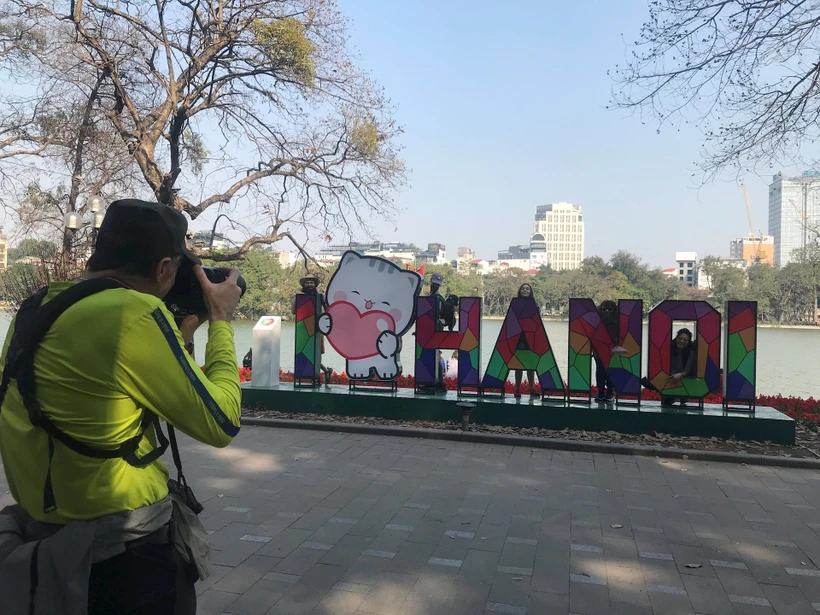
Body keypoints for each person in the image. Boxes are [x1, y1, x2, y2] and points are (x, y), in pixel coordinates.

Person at [0, 199, 243, 614]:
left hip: (46, 543)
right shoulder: (134, 312)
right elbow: (221, 422)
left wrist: (180, 339)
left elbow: (99, 396)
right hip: (127, 559)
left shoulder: (37, 307)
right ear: (164, 269)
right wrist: (220, 320)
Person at [292, 275, 333, 385]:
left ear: (315, 285)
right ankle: (326, 371)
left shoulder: (320, 296)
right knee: (305, 352)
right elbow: (293, 311)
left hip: (317, 329)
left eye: (311, 283)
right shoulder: (299, 296)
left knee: (316, 353)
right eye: (307, 283)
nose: (310, 285)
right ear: (303, 285)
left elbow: (327, 311)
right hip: (303, 330)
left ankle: (324, 372)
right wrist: (298, 298)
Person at [641, 327, 697, 406]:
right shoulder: (668, 347)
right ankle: (672, 396)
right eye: (680, 338)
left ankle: (680, 396)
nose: (681, 341)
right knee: (646, 381)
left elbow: (688, 370)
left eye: (685, 340)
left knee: (670, 396)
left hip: (683, 377)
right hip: (668, 376)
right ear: (676, 338)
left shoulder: (690, 352)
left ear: (688, 342)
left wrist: (680, 375)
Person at [512, 283, 537, 399]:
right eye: (523, 288)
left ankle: (531, 388)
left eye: (527, 289)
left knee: (531, 365)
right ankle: (517, 389)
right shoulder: (515, 304)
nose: (525, 290)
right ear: (519, 290)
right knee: (519, 364)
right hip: (519, 339)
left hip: (531, 338)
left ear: (530, 291)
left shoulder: (534, 305)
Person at [594, 300, 618, 403]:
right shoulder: (597, 323)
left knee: (611, 372)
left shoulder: (618, 323)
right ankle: (600, 392)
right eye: (604, 309)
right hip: (599, 351)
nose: (607, 312)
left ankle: (610, 393)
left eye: (610, 309)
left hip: (613, 351)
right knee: (600, 371)